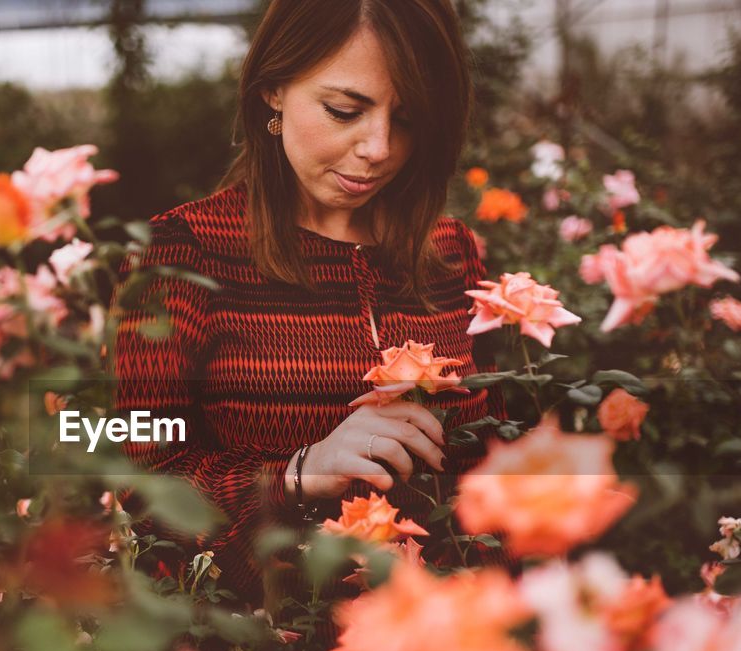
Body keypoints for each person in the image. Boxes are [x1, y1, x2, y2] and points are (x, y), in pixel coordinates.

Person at [113, 0, 505, 608]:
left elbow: (493, 463)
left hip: (443, 649)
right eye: (344, 110)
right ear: (273, 88)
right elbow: (132, 478)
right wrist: (297, 474)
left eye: (406, 119)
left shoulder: (453, 255)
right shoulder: (182, 255)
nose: (378, 148)